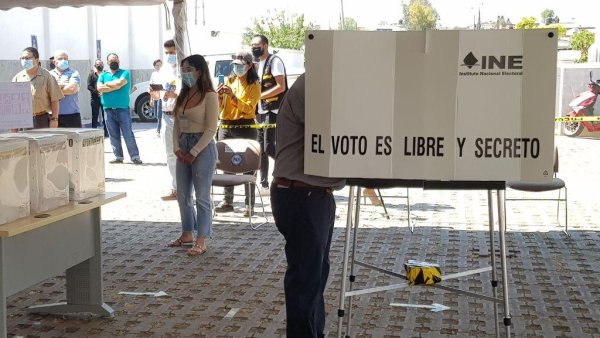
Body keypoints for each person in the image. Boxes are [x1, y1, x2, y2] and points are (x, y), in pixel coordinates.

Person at [270, 74, 345, 338]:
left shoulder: (319, 84)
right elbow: (330, 130)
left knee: (314, 278)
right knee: (306, 281)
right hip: (301, 195)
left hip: (312, 195)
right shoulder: (314, 85)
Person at [168, 54, 218, 257]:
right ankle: (187, 232)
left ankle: (201, 239)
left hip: (203, 147)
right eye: (183, 69)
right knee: (182, 194)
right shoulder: (183, 95)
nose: (185, 73)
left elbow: (211, 128)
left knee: (202, 196)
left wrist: (195, 151)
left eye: (189, 69)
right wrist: (176, 148)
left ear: (199, 71)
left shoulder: (210, 96)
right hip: (183, 145)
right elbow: (176, 124)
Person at [214, 51, 261, 217]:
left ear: (249, 65)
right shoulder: (229, 80)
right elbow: (219, 108)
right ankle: (228, 202)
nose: (236, 68)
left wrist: (232, 96)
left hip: (245, 127)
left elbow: (249, 108)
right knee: (226, 165)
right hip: (226, 126)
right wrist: (219, 97)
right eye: (234, 65)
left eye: (240, 65)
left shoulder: (254, 84)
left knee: (249, 166)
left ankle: (250, 205)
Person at [251, 34, 288, 195]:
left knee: (268, 146)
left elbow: (281, 86)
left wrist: (260, 96)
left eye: (257, 45)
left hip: (273, 110)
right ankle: (264, 184)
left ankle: (287, 167)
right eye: (252, 45)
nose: (254, 48)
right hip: (259, 110)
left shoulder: (275, 61)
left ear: (265, 45)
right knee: (261, 149)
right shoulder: (256, 64)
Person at [97, 53, 142, 164]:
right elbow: (99, 88)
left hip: (122, 109)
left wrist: (107, 86)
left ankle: (135, 156)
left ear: (119, 61)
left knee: (127, 133)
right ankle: (118, 157)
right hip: (108, 109)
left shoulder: (124, 73)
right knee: (113, 134)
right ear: (107, 62)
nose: (113, 62)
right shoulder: (103, 75)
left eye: (115, 59)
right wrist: (115, 86)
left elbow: (121, 83)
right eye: (111, 60)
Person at [12, 47, 63, 129]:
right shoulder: (18, 78)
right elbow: (13, 103)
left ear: (37, 59)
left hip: (42, 119)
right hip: (23, 121)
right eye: (22, 58)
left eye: (27, 58)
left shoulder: (47, 76)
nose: (24, 60)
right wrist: (13, 125)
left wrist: (54, 119)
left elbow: (55, 99)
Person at [154, 39, 180, 201]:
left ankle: (188, 188)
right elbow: (158, 93)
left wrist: (175, 95)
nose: (170, 56)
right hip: (166, 114)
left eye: (172, 52)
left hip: (181, 116)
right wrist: (154, 93)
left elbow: (192, 94)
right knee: (170, 154)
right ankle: (176, 187)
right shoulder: (163, 71)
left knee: (184, 153)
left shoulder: (185, 69)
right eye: (167, 53)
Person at [50, 50, 82, 128]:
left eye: (65, 59)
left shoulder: (74, 73)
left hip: (72, 115)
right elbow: (46, 92)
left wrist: (55, 88)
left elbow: (72, 89)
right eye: (60, 59)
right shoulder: (49, 75)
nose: (63, 61)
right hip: (54, 116)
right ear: (54, 62)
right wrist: (63, 86)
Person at [87, 59, 109, 136]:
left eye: (101, 64)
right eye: (98, 64)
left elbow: (109, 84)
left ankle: (106, 132)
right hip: (95, 98)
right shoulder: (91, 75)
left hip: (105, 98)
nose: (99, 65)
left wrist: (103, 92)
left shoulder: (106, 74)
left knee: (105, 116)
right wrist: (97, 92)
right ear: (95, 66)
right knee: (94, 116)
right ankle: (93, 132)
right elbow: (89, 86)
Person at [149, 58, 163, 136]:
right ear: (154, 66)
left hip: (161, 95)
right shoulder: (153, 74)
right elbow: (150, 86)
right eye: (157, 65)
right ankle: (159, 128)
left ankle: (158, 130)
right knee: (156, 113)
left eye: (160, 65)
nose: (159, 67)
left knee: (159, 114)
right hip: (155, 94)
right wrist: (151, 98)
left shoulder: (164, 73)